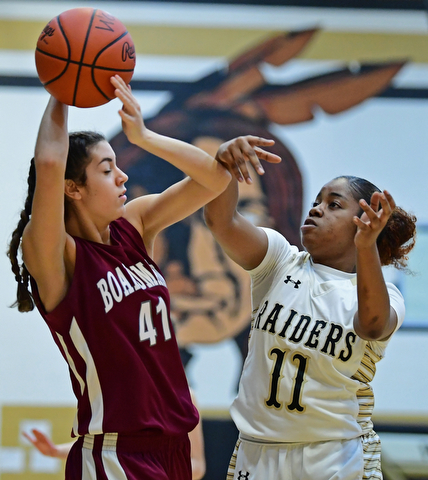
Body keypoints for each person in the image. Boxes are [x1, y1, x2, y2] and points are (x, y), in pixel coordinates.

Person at [7, 75, 230, 480]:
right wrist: (63, 87)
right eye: (108, 170)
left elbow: (215, 179)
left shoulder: (135, 226)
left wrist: (144, 136)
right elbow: (51, 163)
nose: (123, 178)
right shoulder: (58, 255)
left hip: (174, 445)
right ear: (73, 189)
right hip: (116, 452)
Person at [203, 135, 417, 480]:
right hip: (257, 451)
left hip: (334, 454)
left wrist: (367, 248)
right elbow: (221, 222)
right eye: (317, 201)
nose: (316, 208)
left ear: (364, 221)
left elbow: (374, 324)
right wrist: (223, 167)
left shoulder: (385, 295)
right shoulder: (279, 259)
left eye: (334, 205)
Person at [22, 390, 206, 480]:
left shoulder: (185, 396)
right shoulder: (124, 391)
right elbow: (111, 446)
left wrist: (150, 468)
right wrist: (56, 451)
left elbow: (197, 466)